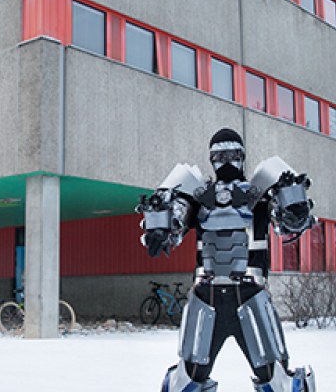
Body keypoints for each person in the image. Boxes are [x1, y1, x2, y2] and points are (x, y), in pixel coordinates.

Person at [136, 128, 317, 392]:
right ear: (211, 159)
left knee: (279, 384)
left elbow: (289, 223)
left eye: (232, 154)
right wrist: (158, 229)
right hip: (206, 298)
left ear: (242, 156)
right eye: (219, 156)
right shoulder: (197, 198)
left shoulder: (261, 196)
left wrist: (296, 210)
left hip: (251, 295)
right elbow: (173, 223)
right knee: (184, 384)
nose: (226, 161)